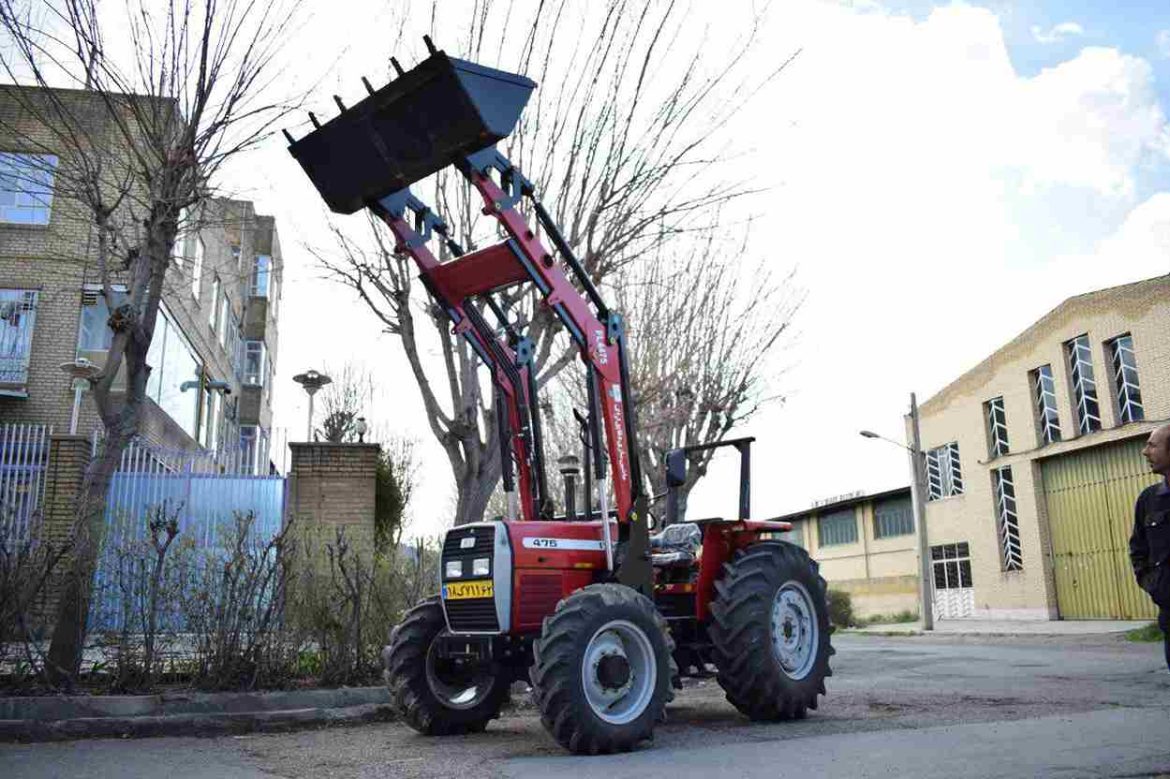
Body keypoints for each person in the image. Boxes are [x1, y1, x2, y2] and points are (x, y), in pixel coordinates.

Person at [1131, 424, 1170, 672]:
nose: (1145, 452)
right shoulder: (1149, 499)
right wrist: (1155, 585)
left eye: (1152, 445)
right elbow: (1138, 549)